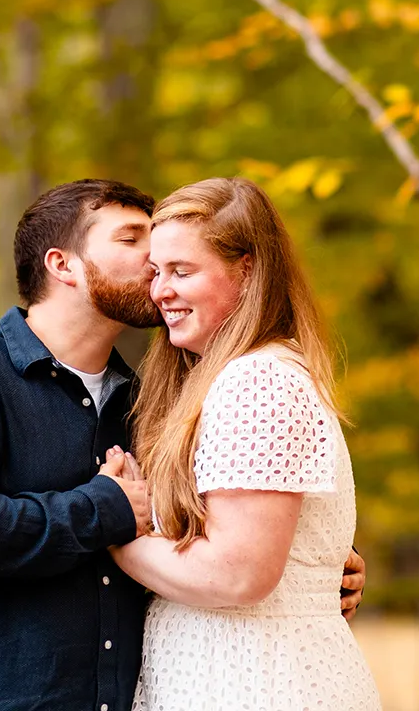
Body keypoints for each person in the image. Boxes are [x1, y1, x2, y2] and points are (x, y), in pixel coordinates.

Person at [0, 178, 365, 711]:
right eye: (132, 238)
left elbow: (213, 543)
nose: (153, 257)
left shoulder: (150, 403)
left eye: (171, 259)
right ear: (62, 265)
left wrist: (309, 557)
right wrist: (101, 510)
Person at [114, 177, 382, 711]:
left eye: (182, 271)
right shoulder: (222, 380)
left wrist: (114, 532)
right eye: (157, 272)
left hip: (255, 681)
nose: (160, 290)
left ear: (248, 270)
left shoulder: (256, 381)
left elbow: (238, 573)